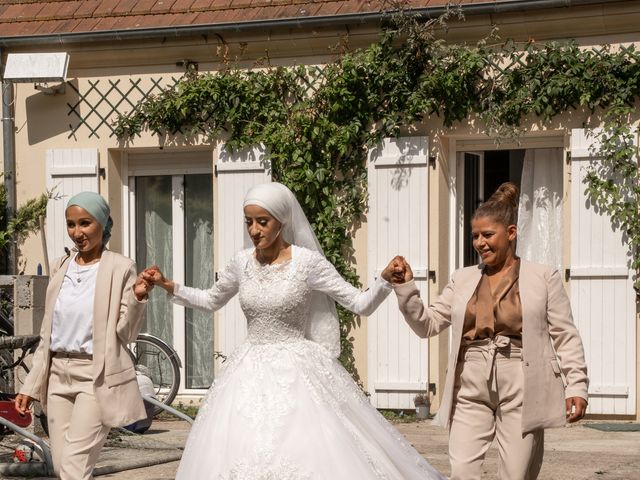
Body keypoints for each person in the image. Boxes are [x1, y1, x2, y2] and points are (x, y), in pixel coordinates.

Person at [142, 182, 445, 479]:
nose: (254, 230)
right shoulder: (241, 263)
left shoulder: (307, 264)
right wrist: (168, 285)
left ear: (282, 221)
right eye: (249, 221)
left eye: (263, 221)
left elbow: (359, 304)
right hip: (247, 370)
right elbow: (211, 300)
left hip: (299, 370)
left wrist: (383, 281)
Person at [390, 182, 589, 480]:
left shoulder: (543, 277)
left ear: (510, 233)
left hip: (522, 379)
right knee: (462, 471)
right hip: (470, 382)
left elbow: (565, 335)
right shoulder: (463, 279)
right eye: (475, 236)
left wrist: (577, 386)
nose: (480, 243)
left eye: (487, 235)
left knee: (515, 473)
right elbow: (427, 323)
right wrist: (406, 288)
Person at [15, 192, 152, 480]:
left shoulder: (120, 267)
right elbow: (47, 335)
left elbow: (125, 334)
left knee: (75, 467)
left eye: (85, 223)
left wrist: (138, 299)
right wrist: (30, 385)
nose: (77, 232)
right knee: (63, 467)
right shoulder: (60, 266)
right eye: (71, 224)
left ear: (102, 224)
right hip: (57, 377)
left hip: (96, 376)